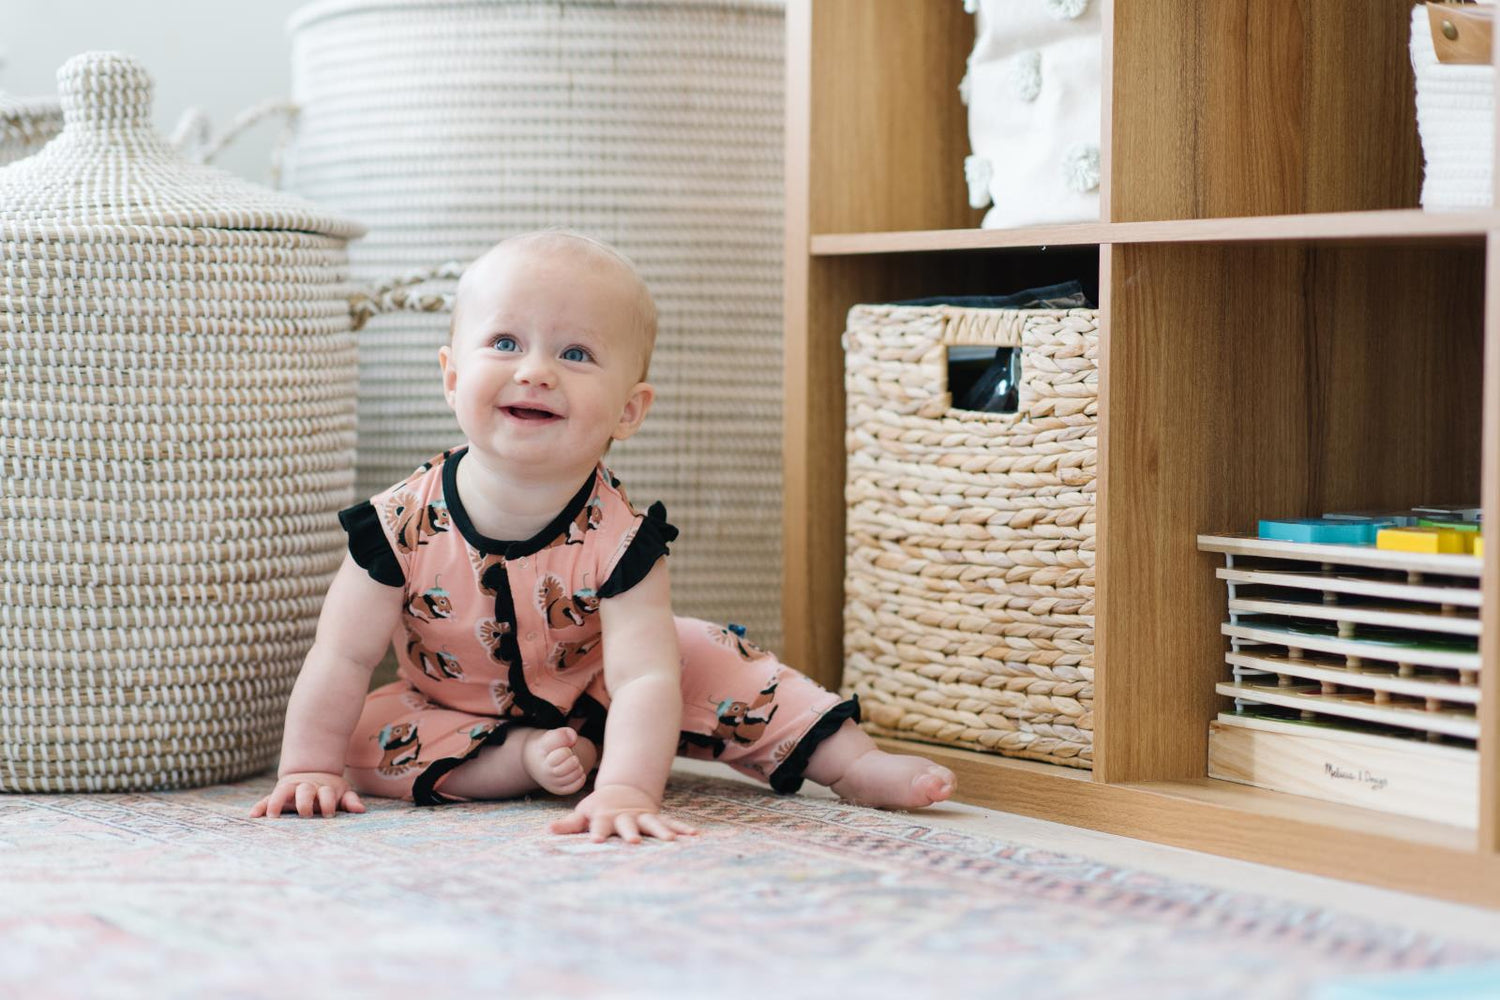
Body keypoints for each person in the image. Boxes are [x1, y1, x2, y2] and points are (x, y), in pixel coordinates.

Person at [251, 230, 956, 841]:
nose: (535, 371)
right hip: (448, 706)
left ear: (629, 409)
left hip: (605, 692)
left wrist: (626, 789)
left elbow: (645, 677)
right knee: (358, 743)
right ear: (451, 375)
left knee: (712, 658)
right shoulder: (396, 523)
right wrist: (307, 767)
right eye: (505, 342)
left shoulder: (623, 538)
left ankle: (852, 764)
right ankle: (523, 761)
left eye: (576, 354)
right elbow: (343, 655)